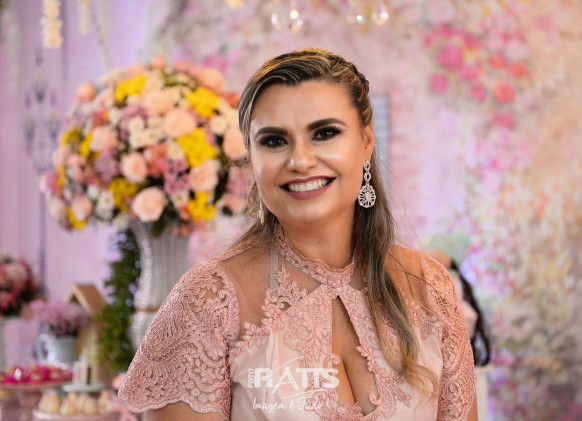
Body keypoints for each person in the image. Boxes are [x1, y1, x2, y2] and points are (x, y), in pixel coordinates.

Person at [119, 48, 477, 420]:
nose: (301, 161)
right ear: (252, 157)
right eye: (274, 141)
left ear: (366, 141)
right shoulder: (208, 302)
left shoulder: (429, 287)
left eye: (325, 133)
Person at [423, 233, 491, 367]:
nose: (430, 257)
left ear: (451, 260)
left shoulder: (449, 279)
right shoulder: (427, 275)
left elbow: (448, 302)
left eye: (437, 253)